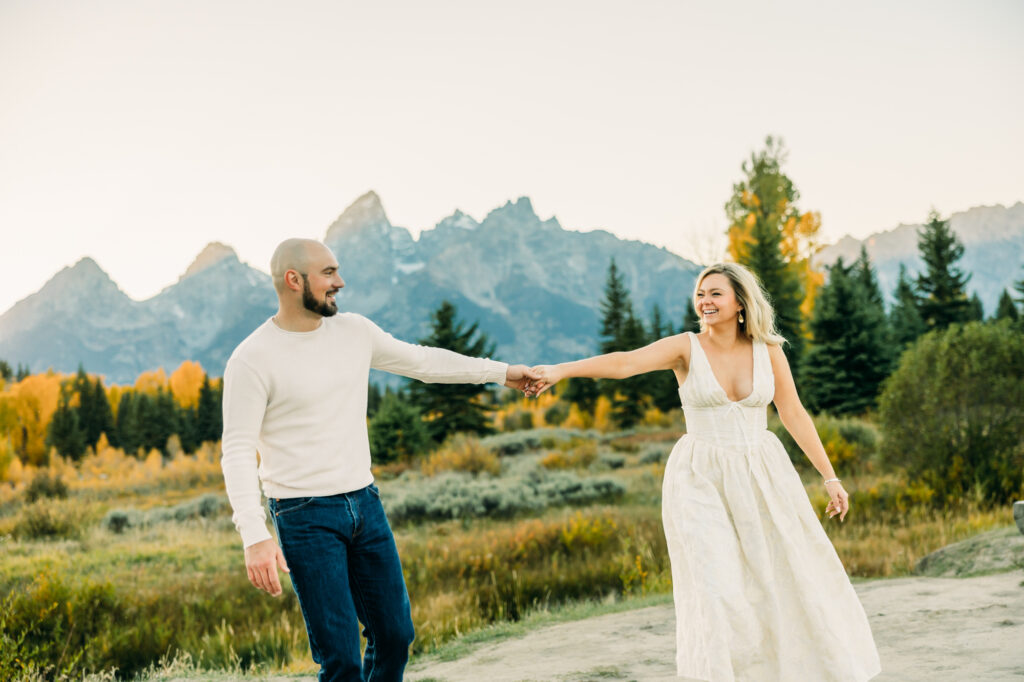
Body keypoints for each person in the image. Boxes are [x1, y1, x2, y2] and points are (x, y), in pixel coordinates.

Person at [529, 262, 881, 682]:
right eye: (700, 294)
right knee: (716, 587)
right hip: (700, 478)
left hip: (763, 474)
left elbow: (793, 412)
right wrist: (560, 371)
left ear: (740, 303)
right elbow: (625, 363)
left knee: (781, 578)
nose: (705, 301)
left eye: (715, 293)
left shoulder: (768, 350)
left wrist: (830, 477)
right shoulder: (685, 347)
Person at [220, 238, 539, 682]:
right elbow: (235, 449)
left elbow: (425, 362)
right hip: (303, 514)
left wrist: (502, 373)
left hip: (364, 504)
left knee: (394, 635)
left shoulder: (355, 332)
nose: (340, 282)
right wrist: (254, 534)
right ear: (294, 280)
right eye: (329, 273)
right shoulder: (252, 359)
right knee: (341, 659)